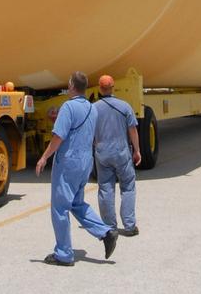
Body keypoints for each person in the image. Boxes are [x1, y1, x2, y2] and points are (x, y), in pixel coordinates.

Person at [35, 71, 117, 266]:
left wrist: (44, 157)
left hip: (69, 163)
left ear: (72, 86)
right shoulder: (92, 108)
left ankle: (64, 253)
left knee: (60, 208)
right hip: (85, 162)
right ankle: (106, 232)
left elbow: (58, 136)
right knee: (76, 203)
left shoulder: (68, 107)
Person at [93, 74, 141, 236]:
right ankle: (129, 225)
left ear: (100, 88)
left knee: (105, 189)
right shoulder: (124, 106)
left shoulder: (94, 108)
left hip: (102, 153)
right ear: (113, 87)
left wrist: (95, 145)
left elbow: (89, 133)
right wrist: (137, 150)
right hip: (122, 153)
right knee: (128, 187)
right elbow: (133, 130)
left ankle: (109, 227)